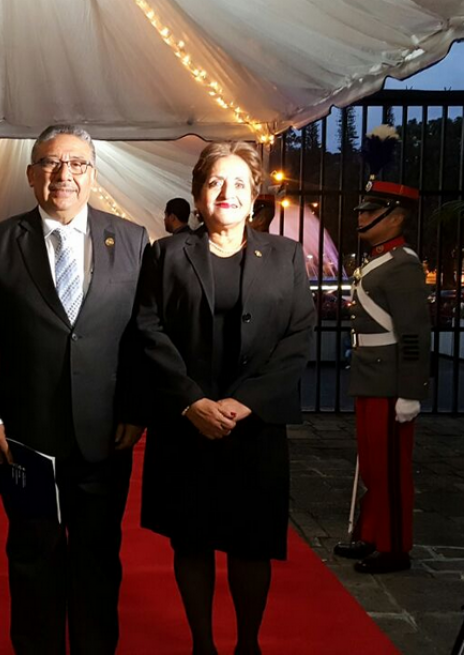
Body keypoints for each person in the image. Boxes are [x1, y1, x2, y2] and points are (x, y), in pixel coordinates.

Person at [0, 124, 148, 655]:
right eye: (50, 163)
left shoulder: (132, 240)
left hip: (105, 435)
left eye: (77, 164)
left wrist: (136, 408)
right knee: (32, 558)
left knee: (98, 559)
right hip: (24, 439)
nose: (63, 174)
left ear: (92, 174)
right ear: (31, 174)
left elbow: (143, 338)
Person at [133, 141, 314, 655]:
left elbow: (299, 334)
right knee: (190, 539)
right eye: (215, 182)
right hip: (186, 423)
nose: (226, 192)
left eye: (238, 183)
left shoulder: (285, 256)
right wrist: (191, 401)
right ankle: (202, 645)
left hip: (254, 426)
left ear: (254, 196)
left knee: (251, 543)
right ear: (198, 194)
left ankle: (248, 644)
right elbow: (148, 328)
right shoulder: (167, 254)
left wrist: (246, 402)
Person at [333, 180, 430, 574]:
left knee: (391, 469)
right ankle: (373, 533)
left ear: (395, 218)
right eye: (362, 210)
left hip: (390, 382)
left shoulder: (403, 263)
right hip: (371, 376)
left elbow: (414, 332)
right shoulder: (379, 259)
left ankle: (394, 547)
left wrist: (410, 391)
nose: (362, 217)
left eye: (371, 211)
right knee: (374, 465)